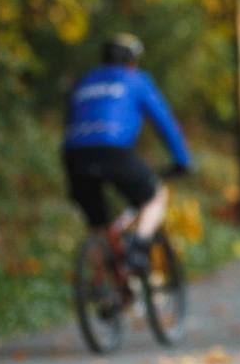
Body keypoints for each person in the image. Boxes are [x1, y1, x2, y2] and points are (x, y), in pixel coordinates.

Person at [63, 34, 192, 272]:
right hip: (113, 151)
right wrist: (182, 160)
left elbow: (70, 121)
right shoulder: (135, 80)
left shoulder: (84, 81)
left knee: (98, 226)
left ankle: (104, 294)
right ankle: (140, 247)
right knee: (154, 196)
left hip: (74, 155)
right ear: (132, 60)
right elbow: (165, 123)